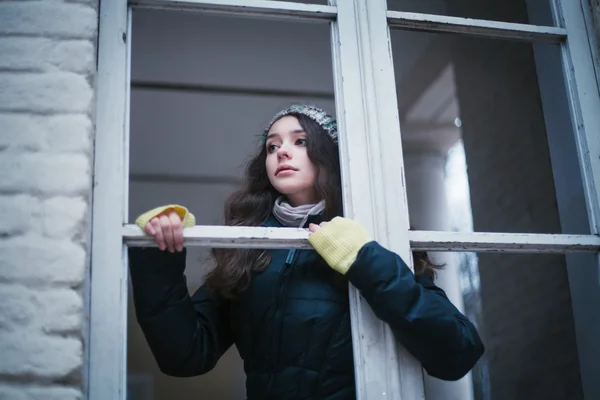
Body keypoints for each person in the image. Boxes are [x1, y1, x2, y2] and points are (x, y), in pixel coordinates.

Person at [129, 105, 484, 400]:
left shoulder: (375, 235)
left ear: (328, 156)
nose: (281, 151)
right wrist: (160, 252)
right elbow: (186, 356)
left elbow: (457, 354)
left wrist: (363, 257)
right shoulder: (250, 249)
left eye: (300, 142)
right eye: (272, 146)